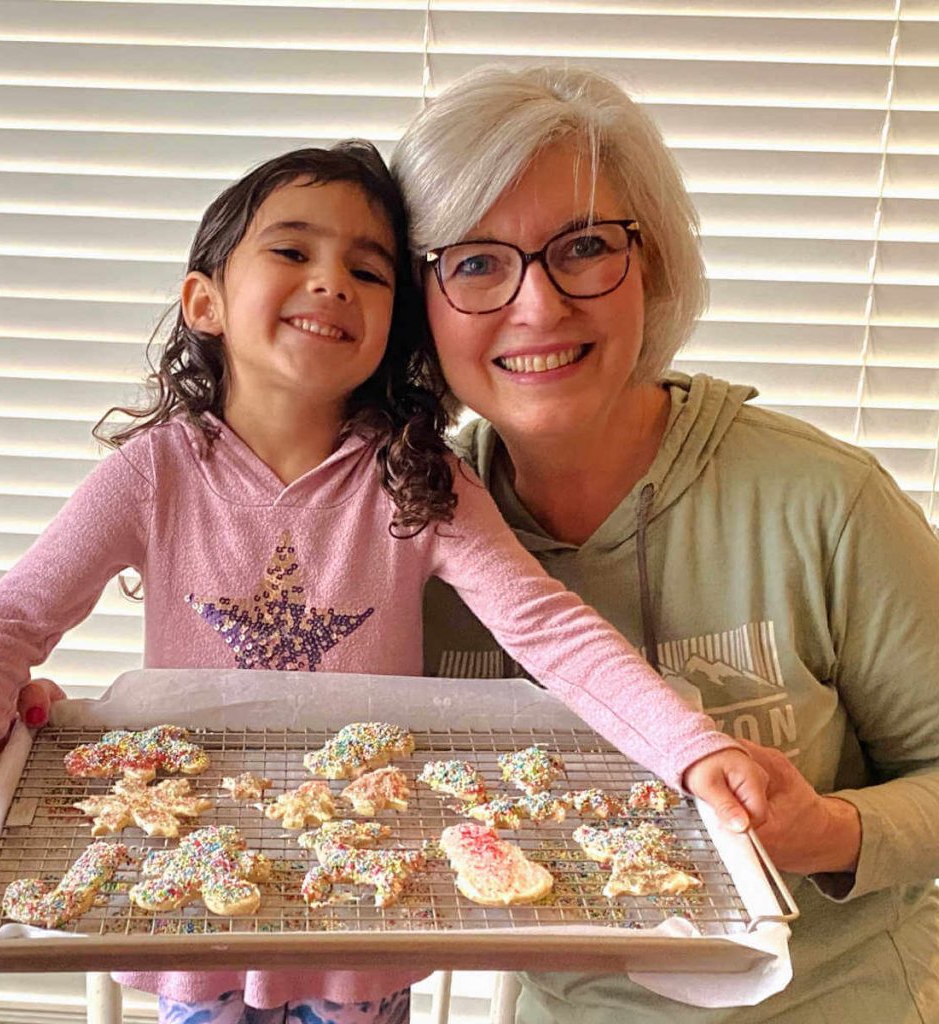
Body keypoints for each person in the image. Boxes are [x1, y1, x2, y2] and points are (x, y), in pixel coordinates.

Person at [0, 141, 767, 1024]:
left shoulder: (420, 480)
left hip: (368, 896)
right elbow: (14, 616)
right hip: (196, 890)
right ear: (203, 301)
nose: (331, 282)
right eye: (292, 252)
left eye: (368, 271)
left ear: (393, 325)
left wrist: (691, 746)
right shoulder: (153, 475)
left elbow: (549, 628)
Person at [392, 64, 939, 1022]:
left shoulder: (826, 503)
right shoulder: (405, 535)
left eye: (586, 246)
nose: (538, 305)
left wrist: (830, 832)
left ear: (655, 265)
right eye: (475, 261)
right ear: (418, 305)